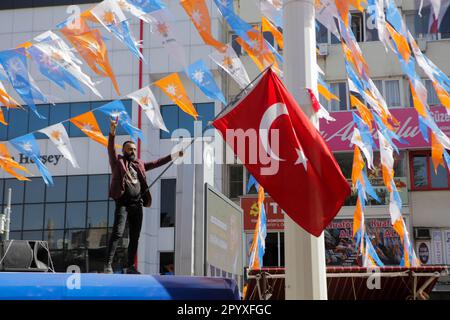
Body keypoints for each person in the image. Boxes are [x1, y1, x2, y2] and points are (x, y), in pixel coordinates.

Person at [104, 116, 183, 274]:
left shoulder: (139, 164)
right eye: (129, 149)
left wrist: (173, 156)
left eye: (134, 149)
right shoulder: (118, 163)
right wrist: (112, 132)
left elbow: (156, 163)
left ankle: (129, 266)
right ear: (124, 151)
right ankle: (107, 264)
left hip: (137, 204)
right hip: (123, 204)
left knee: (135, 237)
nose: (132, 151)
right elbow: (111, 150)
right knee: (118, 233)